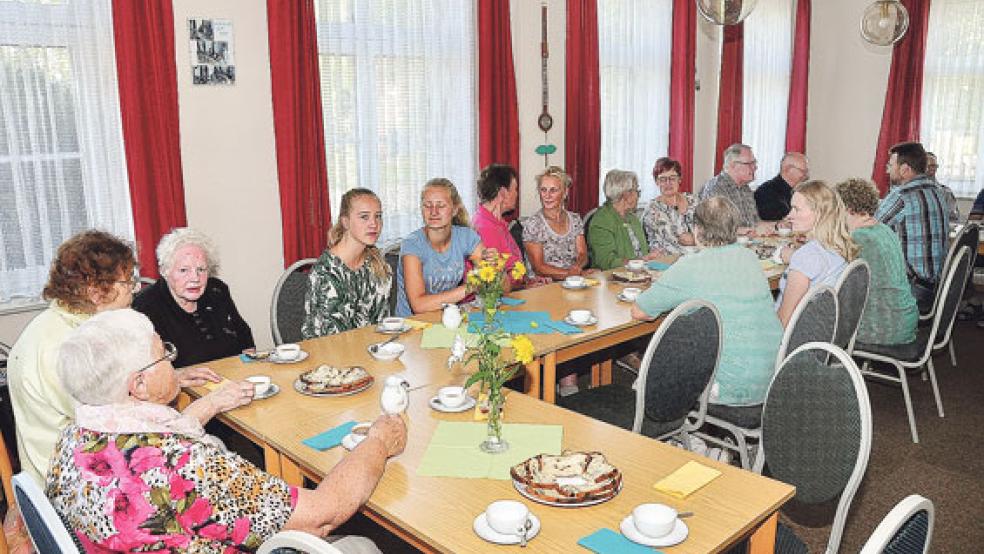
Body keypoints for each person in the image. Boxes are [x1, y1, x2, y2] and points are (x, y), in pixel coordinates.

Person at [46, 309, 405, 553]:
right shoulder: (186, 464)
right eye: (164, 355)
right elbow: (325, 511)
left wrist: (211, 404)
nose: (172, 360)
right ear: (138, 385)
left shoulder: (73, 438)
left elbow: (151, 438)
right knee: (362, 545)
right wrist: (378, 441)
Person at [7, 230, 232, 485]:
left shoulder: (54, 324)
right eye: (127, 283)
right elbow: (140, 437)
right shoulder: (72, 350)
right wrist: (209, 405)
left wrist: (170, 375)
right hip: (82, 484)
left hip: (68, 466)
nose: (135, 290)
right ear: (95, 292)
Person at [632, 197, 782, 406]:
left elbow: (640, 312)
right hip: (774, 378)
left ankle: (671, 429)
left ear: (696, 230)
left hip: (732, 388)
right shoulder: (750, 258)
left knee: (652, 373)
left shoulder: (691, 266)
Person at [133, 228, 255, 368]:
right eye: (184, 270)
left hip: (231, 376)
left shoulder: (217, 291)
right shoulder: (145, 306)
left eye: (201, 269)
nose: (195, 278)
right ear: (164, 271)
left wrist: (248, 370)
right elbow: (146, 371)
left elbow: (244, 335)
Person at [835, 178, 918, 346]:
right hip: (903, 320)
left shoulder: (860, 238)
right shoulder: (883, 229)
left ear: (848, 209)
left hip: (882, 328)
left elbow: (839, 282)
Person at [303, 188, 392, 338]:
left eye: (378, 216)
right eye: (364, 217)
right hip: (330, 355)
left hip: (371, 350)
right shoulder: (326, 273)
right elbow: (332, 342)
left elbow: (382, 325)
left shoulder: (378, 265)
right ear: (345, 222)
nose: (374, 224)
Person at [876, 142, 949, 313]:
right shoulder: (937, 191)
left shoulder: (902, 196)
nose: (887, 170)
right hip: (935, 287)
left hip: (912, 291)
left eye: (890, 165)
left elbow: (868, 232)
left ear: (905, 169)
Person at [395, 178, 487, 316]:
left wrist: (497, 269)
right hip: (412, 325)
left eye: (441, 205)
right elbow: (419, 305)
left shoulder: (467, 237)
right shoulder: (412, 244)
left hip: (447, 319)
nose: (434, 212)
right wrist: (470, 287)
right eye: (427, 205)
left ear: (455, 209)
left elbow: (499, 285)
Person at [776, 180, 859, 326]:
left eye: (796, 209)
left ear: (819, 213)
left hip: (794, 339)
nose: (789, 215)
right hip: (822, 333)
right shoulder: (838, 247)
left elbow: (784, 320)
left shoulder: (807, 256)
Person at [522, 166, 589, 280]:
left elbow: (583, 254)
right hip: (543, 287)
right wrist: (571, 274)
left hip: (573, 281)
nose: (547, 196)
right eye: (543, 190)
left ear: (565, 192)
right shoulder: (533, 224)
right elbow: (539, 268)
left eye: (553, 190)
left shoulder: (575, 219)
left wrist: (577, 268)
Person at [587, 170, 661, 270]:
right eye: (637, 191)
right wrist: (641, 261)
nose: (638, 196)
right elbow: (607, 262)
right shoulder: (601, 222)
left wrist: (651, 256)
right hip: (613, 278)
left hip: (639, 273)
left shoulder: (632, 218)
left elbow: (643, 251)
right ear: (626, 194)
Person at [699, 143, 772, 233]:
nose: (755, 167)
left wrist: (776, 225)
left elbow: (755, 222)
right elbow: (717, 229)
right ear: (733, 165)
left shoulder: (745, 188)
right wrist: (752, 230)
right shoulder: (715, 188)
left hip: (748, 242)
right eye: (749, 163)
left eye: (754, 163)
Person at [642, 157, 696, 255]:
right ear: (657, 182)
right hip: (668, 260)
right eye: (662, 179)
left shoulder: (693, 200)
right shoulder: (652, 209)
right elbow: (666, 244)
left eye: (672, 178)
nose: (668, 183)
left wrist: (696, 239)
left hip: (698, 256)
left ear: (679, 179)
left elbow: (709, 230)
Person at [754, 152, 809, 221]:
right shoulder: (767, 193)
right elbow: (783, 222)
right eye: (803, 171)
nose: (807, 176)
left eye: (807, 171)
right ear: (788, 169)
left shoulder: (795, 191)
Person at [926, 152, 959, 222]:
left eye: (932, 165)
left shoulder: (946, 192)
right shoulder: (910, 190)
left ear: (936, 167)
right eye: (926, 165)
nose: (928, 169)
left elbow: (953, 217)